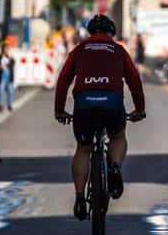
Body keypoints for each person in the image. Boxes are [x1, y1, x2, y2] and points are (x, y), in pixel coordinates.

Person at [54, 14, 146, 221]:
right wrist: (139, 109)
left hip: (84, 101)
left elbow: (63, 81)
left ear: (90, 33)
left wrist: (59, 110)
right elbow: (134, 81)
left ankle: (79, 196)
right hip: (112, 100)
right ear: (111, 33)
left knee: (83, 147)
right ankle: (114, 166)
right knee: (118, 135)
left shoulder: (79, 50)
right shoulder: (118, 50)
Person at [0, 42, 15, 111]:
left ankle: (9, 104)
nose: (7, 50)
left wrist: (10, 60)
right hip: (1, 76)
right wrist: (0, 67)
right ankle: (0, 105)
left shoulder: (10, 57)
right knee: (1, 90)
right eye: (6, 48)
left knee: (10, 90)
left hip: (9, 75)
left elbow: (13, 64)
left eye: (8, 48)